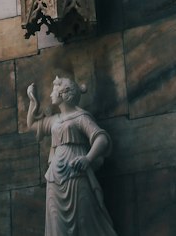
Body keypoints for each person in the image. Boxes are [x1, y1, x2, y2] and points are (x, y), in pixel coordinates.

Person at [25, 77, 117, 236]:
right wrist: (33, 102)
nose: (51, 94)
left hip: (76, 173)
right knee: (56, 220)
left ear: (63, 93)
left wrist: (88, 158)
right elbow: (32, 125)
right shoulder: (54, 120)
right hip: (55, 177)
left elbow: (101, 138)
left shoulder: (81, 117)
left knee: (82, 218)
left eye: (54, 91)